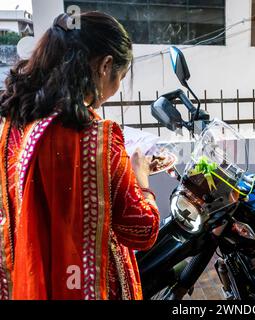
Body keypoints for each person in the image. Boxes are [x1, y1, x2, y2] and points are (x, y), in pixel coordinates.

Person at [0, 11, 160, 300]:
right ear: (105, 65)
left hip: (31, 280)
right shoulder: (97, 138)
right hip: (89, 286)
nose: (116, 89)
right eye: (120, 77)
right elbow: (141, 229)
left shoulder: (14, 122)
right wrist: (141, 177)